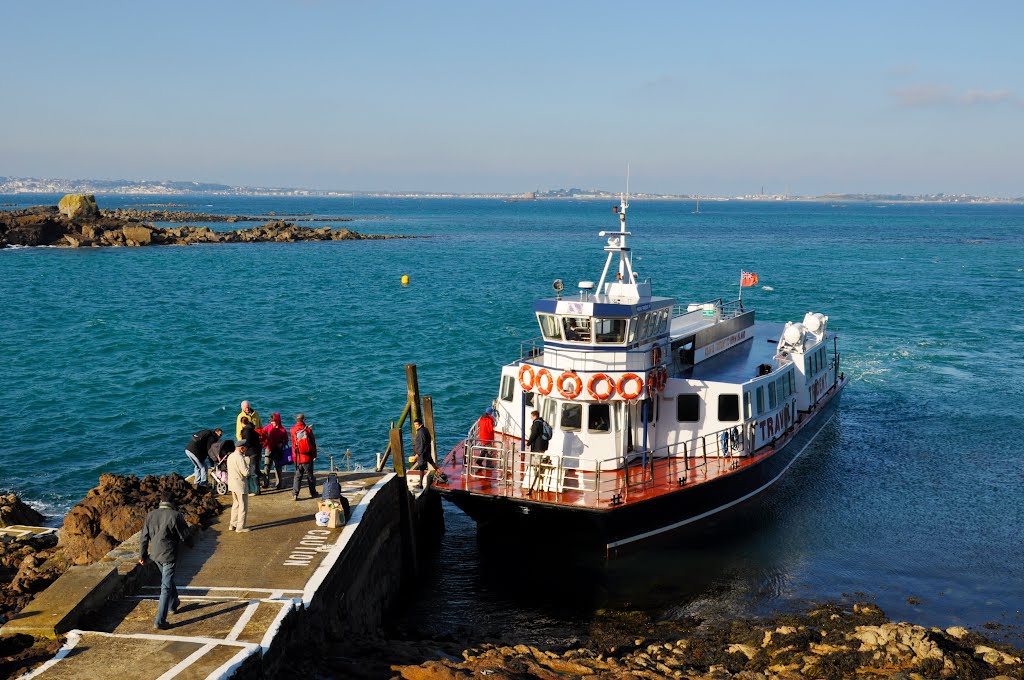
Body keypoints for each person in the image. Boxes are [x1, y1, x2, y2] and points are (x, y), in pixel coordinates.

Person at [138, 491, 191, 630]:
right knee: (165, 586)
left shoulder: (150, 515)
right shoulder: (176, 515)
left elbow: (144, 537)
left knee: (167, 580)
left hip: (155, 556)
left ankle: (173, 604)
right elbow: (185, 536)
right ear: (172, 503)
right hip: (169, 555)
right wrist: (190, 545)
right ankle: (160, 621)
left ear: (161, 502)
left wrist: (142, 556)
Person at [290, 414, 318, 500]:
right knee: (310, 476)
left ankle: (295, 493)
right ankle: (313, 493)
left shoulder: (292, 430)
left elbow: (294, 444)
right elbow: (313, 444)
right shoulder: (308, 430)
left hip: (298, 457)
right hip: (307, 457)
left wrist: (294, 457)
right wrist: (314, 455)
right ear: (303, 420)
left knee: (298, 476)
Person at [227, 440, 252, 532]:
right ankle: (240, 527)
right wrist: (249, 465)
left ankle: (232, 524)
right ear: (241, 448)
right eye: (245, 448)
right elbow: (245, 473)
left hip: (232, 484)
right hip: (240, 485)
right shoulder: (240, 458)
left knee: (235, 505)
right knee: (242, 506)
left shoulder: (230, 456)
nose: (246, 450)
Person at [261, 413, 289, 490]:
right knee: (267, 467)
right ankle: (265, 483)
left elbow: (286, 440)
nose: (272, 423)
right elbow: (262, 432)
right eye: (271, 421)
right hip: (269, 449)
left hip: (277, 451)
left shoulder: (283, 430)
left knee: (278, 468)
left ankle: (279, 484)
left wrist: (281, 443)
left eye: (273, 421)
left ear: (277, 421)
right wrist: (265, 439)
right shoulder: (269, 427)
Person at [239, 416, 265, 495]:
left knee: (253, 472)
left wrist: (243, 449)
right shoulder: (252, 428)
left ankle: (256, 490)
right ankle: (264, 479)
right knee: (255, 470)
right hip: (256, 451)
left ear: (241, 423)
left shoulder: (246, 431)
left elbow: (247, 442)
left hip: (251, 452)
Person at [410, 418, 435, 489]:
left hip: (422, 453)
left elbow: (421, 444)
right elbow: (429, 439)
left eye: (417, 424)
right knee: (432, 462)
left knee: (421, 468)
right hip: (427, 451)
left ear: (420, 424)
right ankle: (440, 473)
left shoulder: (420, 432)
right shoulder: (425, 429)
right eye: (414, 425)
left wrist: (418, 454)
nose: (415, 426)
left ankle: (420, 485)